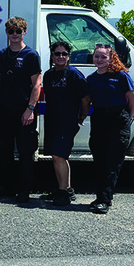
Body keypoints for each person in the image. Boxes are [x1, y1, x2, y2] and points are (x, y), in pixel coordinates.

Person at [0, 16, 42, 203]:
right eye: (11, 31)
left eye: (18, 31)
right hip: (4, 109)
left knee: (25, 151)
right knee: (4, 150)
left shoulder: (31, 55)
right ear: (7, 33)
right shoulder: (2, 54)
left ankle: (24, 188)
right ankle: (7, 186)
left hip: (23, 111)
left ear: (24, 32)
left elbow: (37, 84)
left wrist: (30, 108)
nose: (14, 34)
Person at [87, 44, 134, 214]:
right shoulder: (91, 78)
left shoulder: (121, 76)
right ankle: (100, 197)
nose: (99, 60)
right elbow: (87, 101)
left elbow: (133, 100)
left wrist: (128, 120)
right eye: (96, 57)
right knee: (99, 160)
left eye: (103, 57)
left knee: (112, 162)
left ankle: (104, 200)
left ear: (111, 58)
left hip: (118, 120)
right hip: (100, 119)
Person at [42, 41, 90, 206]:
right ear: (52, 56)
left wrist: (82, 116)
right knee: (57, 157)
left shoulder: (74, 75)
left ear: (69, 56)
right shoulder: (48, 75)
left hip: (68, 121)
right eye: (57, 53)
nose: (60, 57)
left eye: (64, 54)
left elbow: (85, 98)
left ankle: (63, 193)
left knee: (59, 155)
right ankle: (67, 189)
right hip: (52, 120)